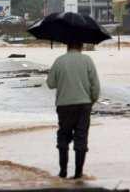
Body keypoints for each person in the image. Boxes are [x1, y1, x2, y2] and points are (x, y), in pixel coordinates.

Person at [47, 42, 100, 179]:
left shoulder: (59, 61)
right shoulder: (87, 60)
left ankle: (63, 172)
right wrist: (92, 100)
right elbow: (95, 85)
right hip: (84, 105)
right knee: (81, 137)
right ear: (81, 46)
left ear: (67, 46)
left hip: (64, 105)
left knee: (63, 135)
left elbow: (50, 84)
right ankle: (78, 173)